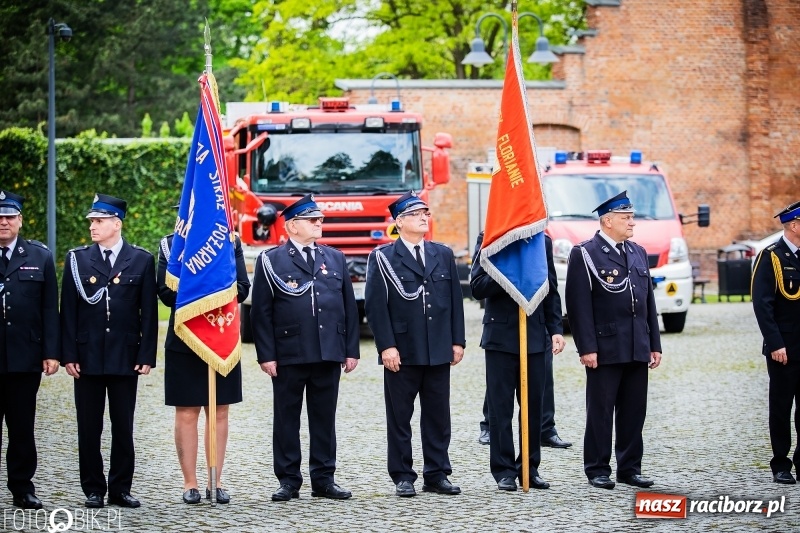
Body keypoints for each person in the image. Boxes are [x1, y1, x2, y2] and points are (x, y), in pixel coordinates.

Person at [250, 194, 359, 502]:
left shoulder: (334, 258)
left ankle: (324, 478)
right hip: (289, 352)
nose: (319, 224)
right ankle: (288, 480)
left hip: (327, 350)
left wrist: (350, 349)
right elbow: (262, 312)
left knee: (324, 418)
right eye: (313, 220)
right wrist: (267, 355)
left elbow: (348, 307)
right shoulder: (271, 260)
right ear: (292, 226)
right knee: (286, 417)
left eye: (320, 219)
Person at [365, 191, 466, 497]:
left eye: (426, 213)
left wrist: (457, 340)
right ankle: (402, 475)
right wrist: (386, 346)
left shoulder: (442, 254)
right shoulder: (383, 257)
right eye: (416, 214)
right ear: (399, 222)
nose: (424, 218)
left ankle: (437, 473)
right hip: (403, 349)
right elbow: (375, 306)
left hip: (437, 347)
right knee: (400, 417)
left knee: (438, 415)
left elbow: (455, 301)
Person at [60, 194, 158, 508]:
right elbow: (69, 312)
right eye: (92, 221)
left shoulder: (141, 259)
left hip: (124, 357)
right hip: (86, 357)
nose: (93, 226)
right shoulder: (78, 259)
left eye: (99, 221)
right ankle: (93, 488)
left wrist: (145, 355)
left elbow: (149, 313)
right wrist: (69, 354)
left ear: (117, 223)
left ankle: (120, 488)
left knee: (123, 426)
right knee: (88, 427)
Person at [565, 190, 662, 490]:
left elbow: (649, 302)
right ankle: (597, 467)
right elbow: (578, 306)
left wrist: (654, 343)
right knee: (601, 411)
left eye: (632, 216)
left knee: (634, 411)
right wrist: (587, 347)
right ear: (607, 221)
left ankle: (630, 467)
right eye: (626, 217)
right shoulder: (585, 253)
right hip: (605, 347)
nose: (632, 222)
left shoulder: (637, 252)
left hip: (636, 344)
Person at [157, 223, 251, 504]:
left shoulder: (229, 242)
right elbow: (164, 291)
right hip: (184, 339)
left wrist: (214, 295)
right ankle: (190, 484)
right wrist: (204, 294)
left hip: (222, 335)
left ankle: (216, 481)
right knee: (187, 412)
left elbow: (243, 289)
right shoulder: (170, 244)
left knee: (220, 410)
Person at [470, 231, 565, 491]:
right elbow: (477, 287)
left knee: (534, 407)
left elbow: (550, 288)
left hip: (535, 335)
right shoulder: (490, 238)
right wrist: (507, 269)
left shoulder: (541, 241)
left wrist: (556, 329)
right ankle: (504, 471)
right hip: (500, 335)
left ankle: (529, 467)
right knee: (500, 409)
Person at [0, 190, 59, 510]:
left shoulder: (40, 257)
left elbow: (50, 309)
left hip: (25, 357)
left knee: (22, 428)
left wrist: (51, 352)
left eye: (9, 216)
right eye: (0, 217)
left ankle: (22, 488)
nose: (4, 222)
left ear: (20, 220)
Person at [751, 201, 800, 484]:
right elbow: (762, 304)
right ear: (793, 225)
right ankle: (781, 463)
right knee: (781, 407)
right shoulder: (771, 257)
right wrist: (775, 343)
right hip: (784, 348)